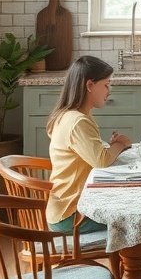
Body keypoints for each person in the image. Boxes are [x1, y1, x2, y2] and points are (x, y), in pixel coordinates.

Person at [46, 55, 132, 233]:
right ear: (90, 85)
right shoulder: (78, 122)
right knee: (132, 222)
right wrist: (121, 144)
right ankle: (129, 261)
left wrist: (107, 147)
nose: (109, 91)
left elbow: (91, 154)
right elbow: (101, 160)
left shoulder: (70, 115)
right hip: (71, 214)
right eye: (106, 85)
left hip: (67, 207)